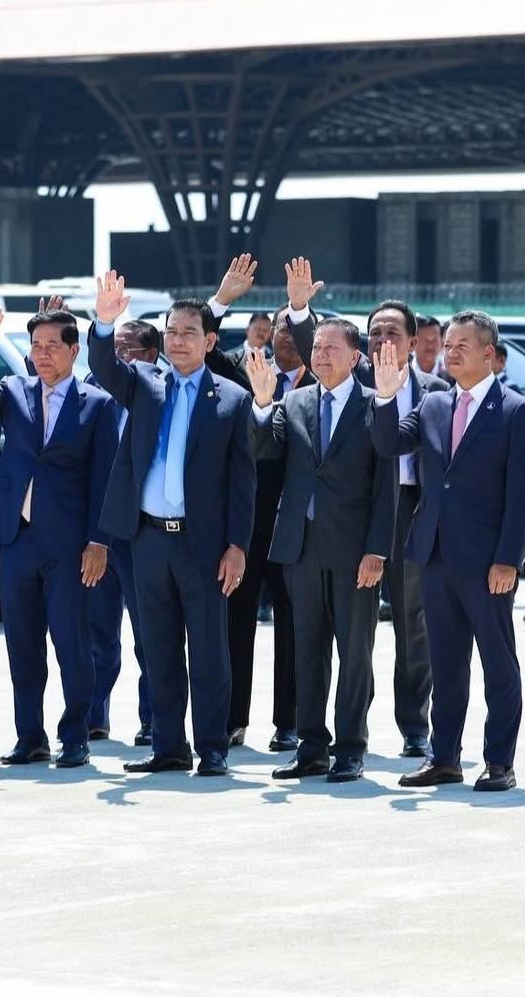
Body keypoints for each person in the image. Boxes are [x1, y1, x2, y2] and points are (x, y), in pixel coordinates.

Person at [277, 261, 446, 758]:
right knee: (352, 633)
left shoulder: (436, 391)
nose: (382, 340)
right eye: (375, 333)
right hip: (356, 515)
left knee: (412, 626)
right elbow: (321, 346)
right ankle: (342, 730)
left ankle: (414, 725)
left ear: (413, 341)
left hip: (414, 510)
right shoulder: (357, 380)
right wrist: (300, 307)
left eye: (393, 332)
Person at [90, 269, 255, 777]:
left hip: (203, 546)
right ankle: (168, 746)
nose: (178, 340)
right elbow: (102, 365)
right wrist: (104, 322)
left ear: (209, 341)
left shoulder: (232, 399)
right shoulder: (143, 383)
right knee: (158, 648)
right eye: (171, 332)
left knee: (208, 652)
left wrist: (237, 546)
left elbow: (243, 483)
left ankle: (212, 747)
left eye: (189, 332)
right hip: (147, 539)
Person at [371, 309, 525, 793]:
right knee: (445, 665)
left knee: (498, 664)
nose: (451, 352)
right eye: (448, 345)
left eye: (462, 345)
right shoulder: (433, 404)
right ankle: (444, 757)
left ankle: (499, 762)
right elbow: (388, 444)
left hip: (488, 562)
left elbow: (524, 493)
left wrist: (508, 558)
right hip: (435, 555)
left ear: (489, 353)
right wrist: (385, 397)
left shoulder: (516, 410)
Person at [0, 304, 117, 768]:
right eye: (36, 346)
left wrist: (99, 541)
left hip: (69, 546)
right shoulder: (13, 391)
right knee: (22, 645)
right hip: (17, 539)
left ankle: (75, 736)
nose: (42, 354)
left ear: (74, 350)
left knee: (71, 644)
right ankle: (30, 736)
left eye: (52, 346)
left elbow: (104, 478)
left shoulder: (98, 404)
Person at [242, 316, 393, 783]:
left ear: (355, 356)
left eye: (331, 348)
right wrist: (262, 403)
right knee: (306, 651)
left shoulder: (375, 405)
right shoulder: (295, 401)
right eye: (317, 348)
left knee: (355, 655)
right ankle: (311, 747)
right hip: (301, 547)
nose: (321, 355)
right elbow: (263, 450)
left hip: (354, 552)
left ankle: (350, 748)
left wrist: (377, 551)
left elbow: (386, 488)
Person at [212, 258, 305, 749]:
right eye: (278, 328)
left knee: (293, 626)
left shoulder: (326, 379)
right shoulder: (247, 370)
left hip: (299, 525)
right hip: (246, 521)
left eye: (293, 328)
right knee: (235, 622)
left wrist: (300, 307)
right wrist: (222, 300)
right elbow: (204, 353)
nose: (283, 336)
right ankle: (232, 718)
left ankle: (288, 721)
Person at [88, 318, 159, 744]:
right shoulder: (94, 394)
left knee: (149, 635)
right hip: (99, 533)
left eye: (126, 349)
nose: (117, 356)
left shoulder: (161, 395)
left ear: (150, 356)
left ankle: (153, 719)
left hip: (143, 535)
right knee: (97, 633)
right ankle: (93, 715)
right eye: (114, 348)